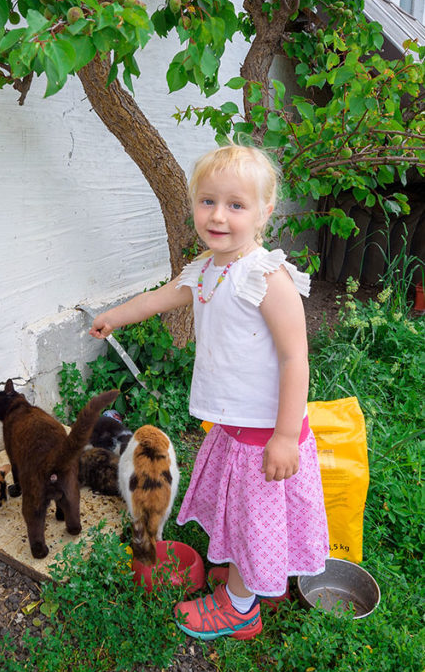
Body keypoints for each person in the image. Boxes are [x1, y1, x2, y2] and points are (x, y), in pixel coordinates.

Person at [89, 144, 329, 640]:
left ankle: (240, 607)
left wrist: (286, 437)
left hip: (264, 435)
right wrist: (115, 316)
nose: (218, 216)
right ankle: (255, 574)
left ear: (265, 211)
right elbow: (161, 298)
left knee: (251, 521)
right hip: (235, 428)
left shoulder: (266, 277)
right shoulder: (208, 268)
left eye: (236, 205)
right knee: (248, 519)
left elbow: (294, 359)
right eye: (207, 202)